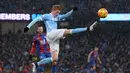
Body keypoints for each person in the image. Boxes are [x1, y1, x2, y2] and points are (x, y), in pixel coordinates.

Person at [24, 4, 98, 72]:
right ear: (53, 10)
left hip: (54, 39)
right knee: (68, 31)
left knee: (54, 59)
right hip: (51, 34)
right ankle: (88, 29)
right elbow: (36, 20)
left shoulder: (57, 17)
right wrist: (28, 27)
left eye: (59, 12)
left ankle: (36, 64)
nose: (58, 14)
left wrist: (72, 10)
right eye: (57, 12)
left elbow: (65, 16)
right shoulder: (46, 16)